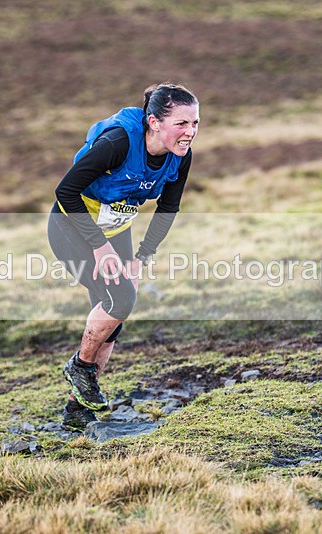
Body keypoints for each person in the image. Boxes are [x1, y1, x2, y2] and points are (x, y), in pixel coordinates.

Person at [47, 82, 199, 429]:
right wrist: (99, 246)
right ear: (154, 122)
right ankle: (80, 366)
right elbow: (65, 191)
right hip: (72, 226)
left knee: (113, 319)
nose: (190, 132)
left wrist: (142, 257)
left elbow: (168, 208)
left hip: (116, 230)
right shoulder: (117, 143)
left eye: (195, 123)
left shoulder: (180, 156)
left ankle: (77, 408)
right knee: (122, 299)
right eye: (181, 123)